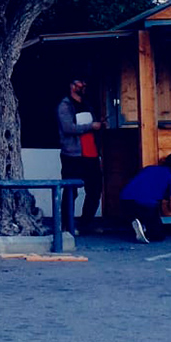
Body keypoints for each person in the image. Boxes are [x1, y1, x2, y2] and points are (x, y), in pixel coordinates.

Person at [56, 77, 104, 234]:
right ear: (71, 85)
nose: (83, 85)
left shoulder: (87, 104)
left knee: (95, 190)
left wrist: (98, 125)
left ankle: (85, 223)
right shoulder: (64, 105)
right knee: (71, 190)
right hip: (73, 154)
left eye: (84, 83)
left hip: (91, 153)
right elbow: (68, 128)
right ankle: (66, 224)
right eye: (80, 83)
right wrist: (91, 126)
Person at [120, 153, 171, 244]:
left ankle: (140, 222)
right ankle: (145, 228)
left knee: (146, 207)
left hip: (124, 202)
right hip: (144, 205)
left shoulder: (149, 169)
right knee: (158, 235)